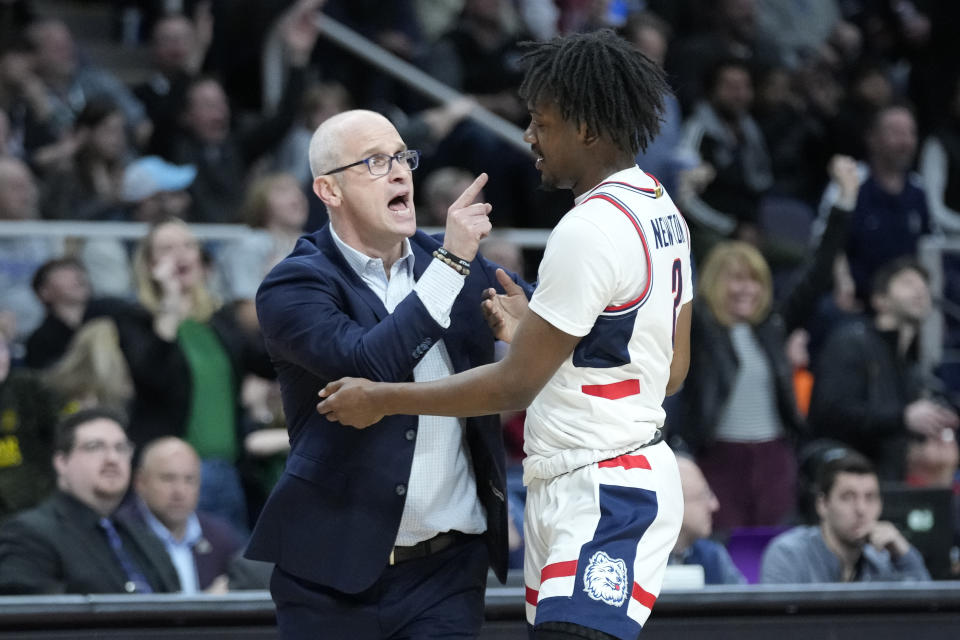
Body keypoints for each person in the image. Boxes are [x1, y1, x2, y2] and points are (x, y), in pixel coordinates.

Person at [317, 29, 693, 640]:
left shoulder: (588, 228)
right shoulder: (658, 207)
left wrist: (381, 398)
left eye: (541, 123)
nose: (529, 137)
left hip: (602, 483)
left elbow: (513, 387)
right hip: (602, 474)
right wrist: (537, 334)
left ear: (585, 128)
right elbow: (668, 370)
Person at [245, 105, 529, 639]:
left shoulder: (455, 267)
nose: (400, 172)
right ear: (328, 191)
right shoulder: (294, 285)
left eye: (402, 157)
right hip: (328, 575)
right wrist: (451, 264)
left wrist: (528, 325)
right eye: (375, 162)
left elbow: (546, 316)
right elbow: (369, 368)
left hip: (448, 570)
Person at [809, 258, 959, 481]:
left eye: (923, 286)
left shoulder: (910, 365)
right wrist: (903, 418)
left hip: (888, 482)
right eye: (908, 283)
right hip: (846, 483)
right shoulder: (851, 342)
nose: (920, 291)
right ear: (880, 300)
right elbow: (831, 413)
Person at [0, 408, 180, 594]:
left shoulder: (145, 538)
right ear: (61, 462)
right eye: (95, 447)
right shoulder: (28, 535)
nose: (112, 458)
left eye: (121, 448)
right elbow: (33, 616)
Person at [760, 448, 931, 583]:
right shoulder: (789, 554)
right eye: (848, 497)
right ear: (822, 505)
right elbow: (776, 626)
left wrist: (904, 555)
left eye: (870, 497)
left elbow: (926, 618)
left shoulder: (882, 560)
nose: (861, 509)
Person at [121, 437, 245, 594]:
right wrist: (207, 605)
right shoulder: (120, 537)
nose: (179, 491)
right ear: (140, 482)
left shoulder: (221, 538)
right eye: (168, 478)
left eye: (189, 480)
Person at [668, 455, 746, 585]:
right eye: (702, 496)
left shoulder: (712, 555)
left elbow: (745, 603)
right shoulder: (630, 561)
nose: (714, 505)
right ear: (671, 504)